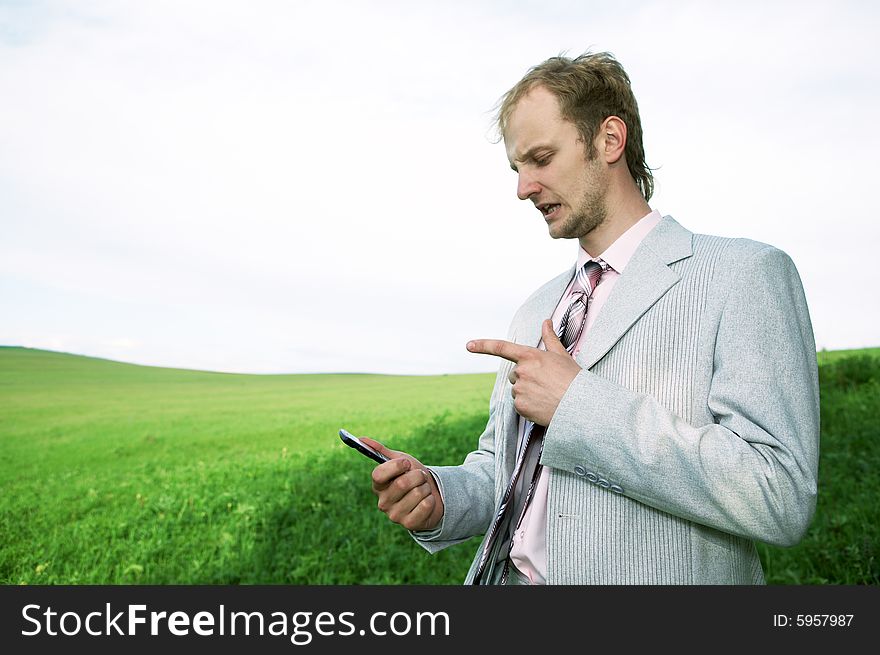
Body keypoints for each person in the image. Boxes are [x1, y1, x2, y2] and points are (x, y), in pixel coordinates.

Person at [362, 51, 820, 585]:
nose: (522, 187)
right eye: (517, 168)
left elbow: (778, 492)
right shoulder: (537, 308)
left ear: (609, 140)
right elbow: (505, 471)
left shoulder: (744, 276)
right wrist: (440, 497)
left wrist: (578, 406)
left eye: (540, 158)